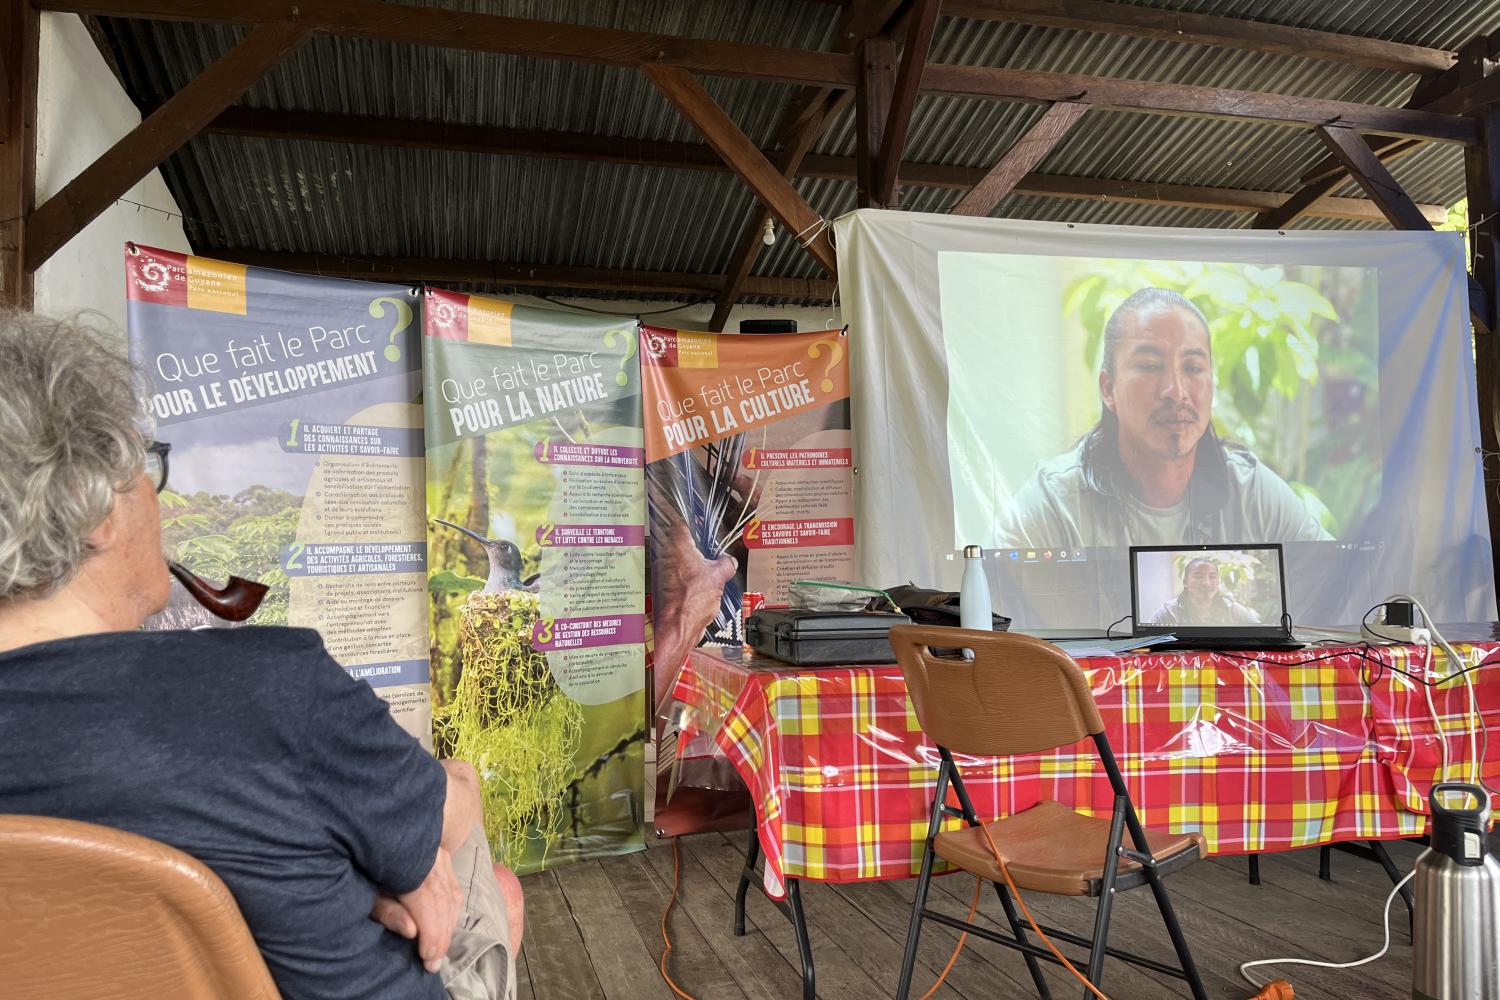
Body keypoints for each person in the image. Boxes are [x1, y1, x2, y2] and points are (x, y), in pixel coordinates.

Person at [0, 310, 521, 1000]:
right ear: (87, 502)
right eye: (148, 470)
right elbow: (447, 818)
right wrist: (425, 831)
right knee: (483, 854)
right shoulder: (272, 688)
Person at [998, 287, 1331, 548]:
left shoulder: (1251, 492)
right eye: (1150, 366)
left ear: (1211, 385)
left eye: (1193, 368)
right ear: (1108, 388)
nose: (1176, 390)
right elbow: (980, 620)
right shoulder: (1055, 503)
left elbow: (1345, 591)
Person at [1147, 558, 1261, 626]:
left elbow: (1259, 633)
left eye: (1212, 576)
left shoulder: (1232, 608)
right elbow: (1147, 639)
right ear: (1185, 582)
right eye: (1198, 576)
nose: (1206, 583)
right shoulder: (1169, 612)